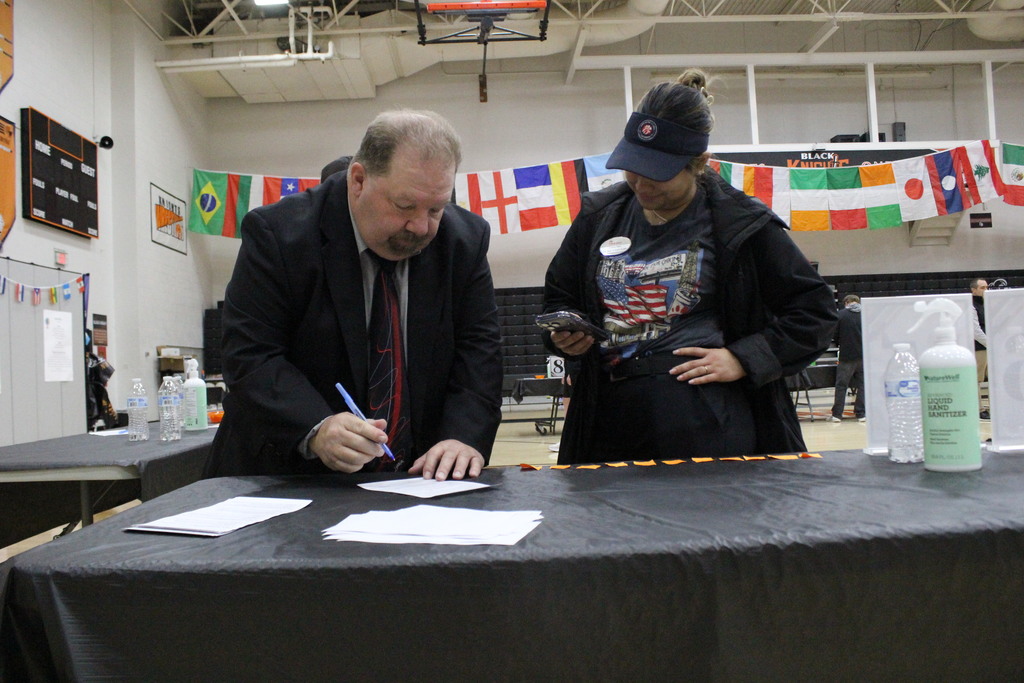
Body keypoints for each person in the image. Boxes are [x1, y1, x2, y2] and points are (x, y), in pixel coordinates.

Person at [541, 69, 837, 464]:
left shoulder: (742, 223)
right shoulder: (598, 217)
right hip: (606, 418)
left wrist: (744, 359)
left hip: (707, 419)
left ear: (699, 163)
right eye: (632, 167)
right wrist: (565, 333)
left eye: (657, 174)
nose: (641, 184)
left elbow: (814, 311)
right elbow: (559, 297)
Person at [204, 110, 503, 481]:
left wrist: (462, 436)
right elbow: (250, 355)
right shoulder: (279, 235)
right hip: (284, 477)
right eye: (405, 206)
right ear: (358, 180)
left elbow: (479, 351)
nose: (422, 227)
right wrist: (316, 428)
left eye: (437, 208)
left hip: (414, 480)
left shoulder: (463, 242)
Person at [827, 295, 865, 423]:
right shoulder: (866, 314)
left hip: (847, 356)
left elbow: (835, 335)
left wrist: (839, 343)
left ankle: (837, 414)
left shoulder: (841, 315)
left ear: (847, 302)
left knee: (841, 385)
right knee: (862, 385)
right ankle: (861, 413)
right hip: (863, 356)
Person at [970, 277, 989, 419]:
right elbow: (975, 331)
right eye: (982, 288)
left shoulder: (987, 303)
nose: (986, 290)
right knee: (977, 379)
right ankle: (979, 408)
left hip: (989, 347)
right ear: (974, 290)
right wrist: (990, 343)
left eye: (987, 287)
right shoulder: (971, 305)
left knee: (992, 377)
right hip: (979, 347)